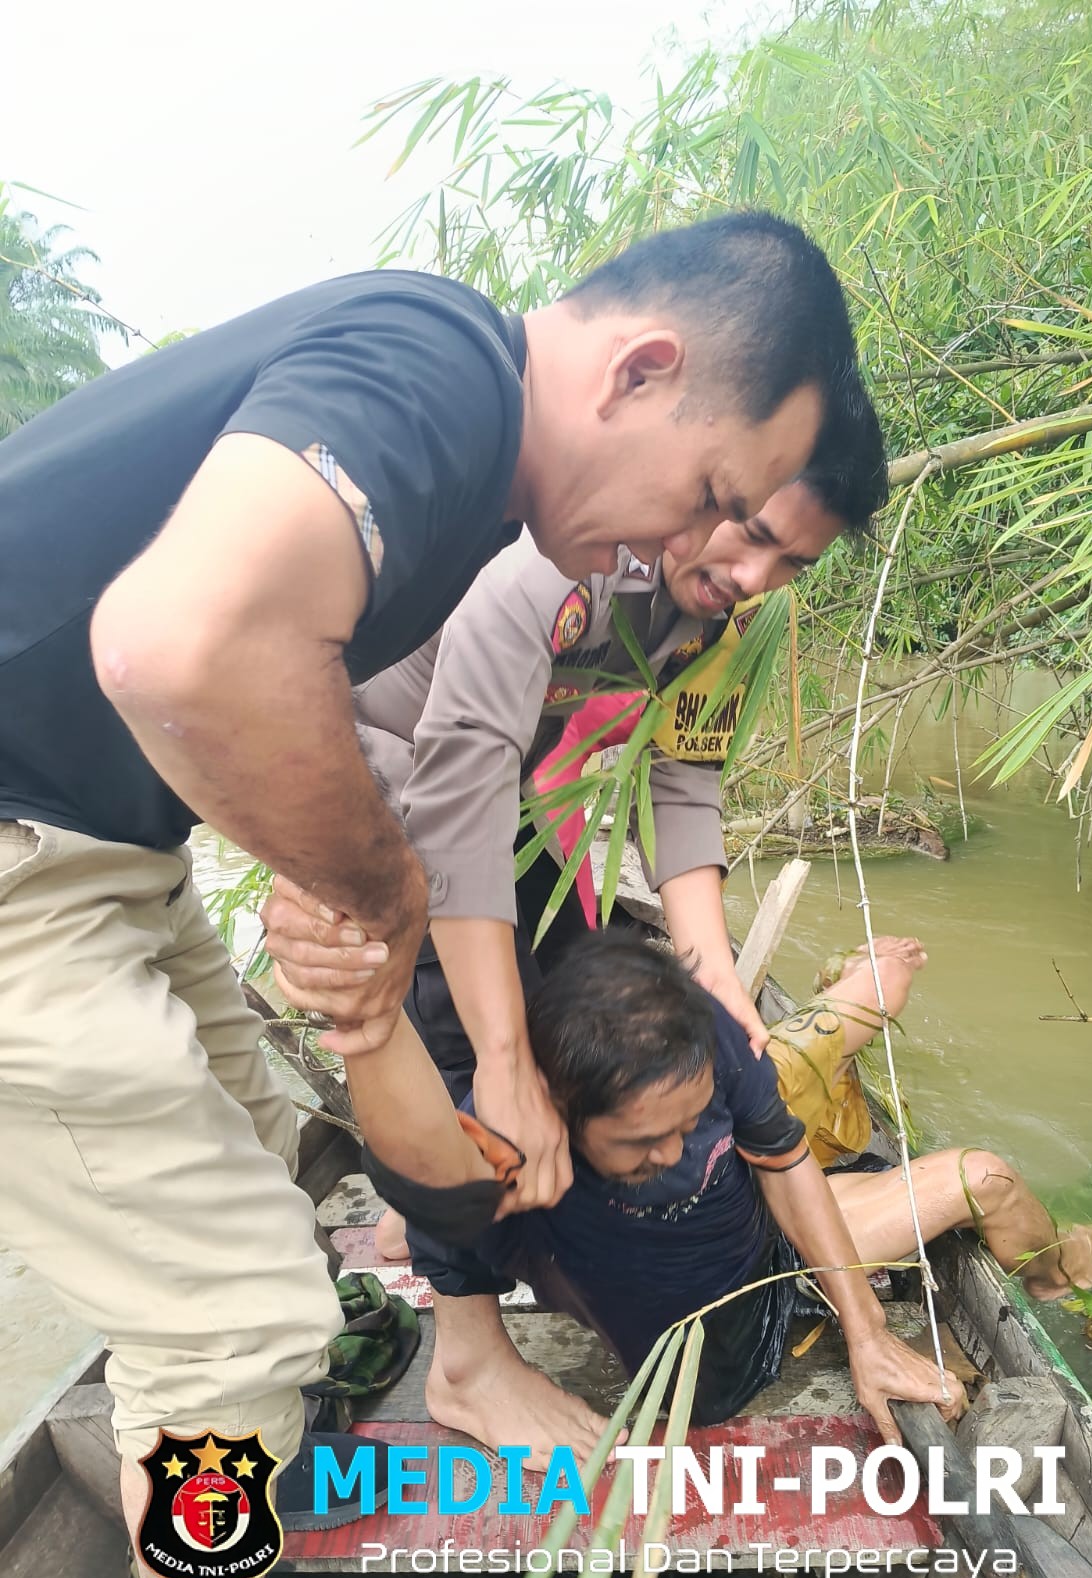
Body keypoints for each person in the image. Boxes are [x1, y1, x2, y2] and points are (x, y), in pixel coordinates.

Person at [0, 212, 863, 1578]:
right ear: (638, 372)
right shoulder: (444, 362)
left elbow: (265, 679)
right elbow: (180, 645)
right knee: (228, 1331)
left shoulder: (505, 513)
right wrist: (379, 892)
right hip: (27, 848)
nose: (707, 551)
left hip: (114, 837)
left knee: (288, 1153)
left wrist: (328, 909)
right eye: (713, 497)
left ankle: (433, 1349)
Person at [350, 388, 888, 1259]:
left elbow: (682, 776)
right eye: (751, 531)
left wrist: (711, 968)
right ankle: (447, 1264)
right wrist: (500, 1058)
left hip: (505, 787)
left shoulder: (728, 615)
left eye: (793, 562)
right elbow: (455, 799)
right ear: (716, 479)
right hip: (386, 774)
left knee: (579, 981)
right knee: (461, 1026)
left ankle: (524, 1179)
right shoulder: (566, 562)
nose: (756, 578)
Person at [408, 930, 1092, 1467]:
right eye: (644, 1143)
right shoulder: (508, 1144)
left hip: (768, 1220)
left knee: (895, 1094)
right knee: (964, 1165)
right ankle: (851, 998)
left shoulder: (707, 1040)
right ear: (556, 1117)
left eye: (687, 1128)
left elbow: (782, 1157)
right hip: (765, 1267)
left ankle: (1060, 1273)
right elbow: (423, 1195)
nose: (672, 1154)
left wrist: (868, 1331)